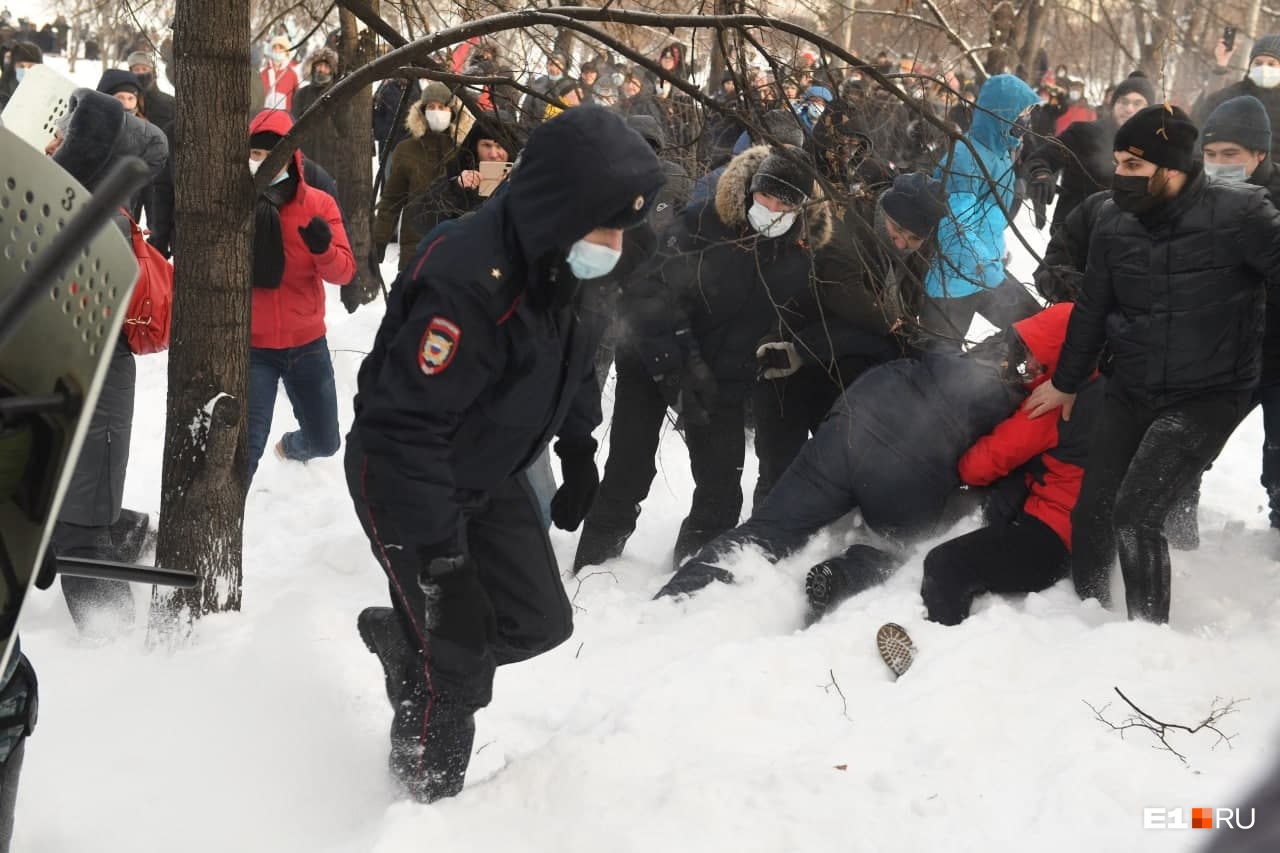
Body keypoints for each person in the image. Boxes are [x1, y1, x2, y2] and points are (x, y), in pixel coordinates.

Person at [346, 106, 664, 802]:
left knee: (539, 621)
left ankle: (411, 649)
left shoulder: (560, 259)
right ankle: (419, 804)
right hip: (405, 476)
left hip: (487, 468)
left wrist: (580, 447)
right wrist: (444, 565)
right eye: (604, 224)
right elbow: (405, 432)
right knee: (458, 665)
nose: (612, 243)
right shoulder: (466, 279)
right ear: (561, 204)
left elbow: (577, 359)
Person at [1025, 105, 1280, 623]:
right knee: (1092, 512)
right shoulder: (1114, 222)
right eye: (1118, 162)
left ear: (1174, 169)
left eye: (1134, 167)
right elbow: (1092, 308)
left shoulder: (1241, 214)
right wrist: (1068, 382)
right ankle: (1089, 614)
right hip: (1132, 384)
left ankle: (1146, 641)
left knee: (1135, 517)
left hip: (1208, 393)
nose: (1121, 176)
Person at [655, 306, 1075, 610]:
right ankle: (845, 573)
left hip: (855, 419)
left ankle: (664, 608)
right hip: (910, 466)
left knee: (768, 530)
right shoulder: (1042, 397)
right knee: (897, 547)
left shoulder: (988, 347)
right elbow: (980, 466)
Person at [573, 146, 833, 573]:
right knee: (629, 471)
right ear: (751, 190)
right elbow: (648, 296)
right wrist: (681, 368)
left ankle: (693, 578)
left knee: (721, 486)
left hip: (722, 379)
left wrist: (790, 350)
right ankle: (593, 570)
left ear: (799, 209)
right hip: (649, 358)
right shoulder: (699, 226)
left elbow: (796, 318)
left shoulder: (797, 258)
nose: (771, 208)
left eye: (784, 203)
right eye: (765, 196)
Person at [48, 89, 168, 636]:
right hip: (82, 384)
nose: (52, 141)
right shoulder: (77, 200)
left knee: (82, 522)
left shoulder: (85, 215)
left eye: (64, 135)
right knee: (79, 500)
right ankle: (137, 533)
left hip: (92, 383)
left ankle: (109, 641)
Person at [751, 172, 946, 505]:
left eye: (912, 239)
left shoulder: (916, 258)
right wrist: (905, 333)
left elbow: (895, 324)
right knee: (780, 465)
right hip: (788, 352)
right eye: (896, 230)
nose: (900, 243)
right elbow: (869, 316)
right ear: (883, 211)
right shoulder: (843, 238)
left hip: (839, 362)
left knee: (843, 456)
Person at [919, 303, 1104, 625]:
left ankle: (937, 646)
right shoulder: (1102, 385)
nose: (1027, 364)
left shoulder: (1049, 407)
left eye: (1036, 357)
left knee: (944, 564)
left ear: (1063, 357)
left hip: (1052, 538)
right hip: (1085, 527)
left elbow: (978, 467)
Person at [245, 109, 355, 481]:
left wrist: (323, 248)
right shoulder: (235, 205)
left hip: (305, 344)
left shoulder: (318, 204)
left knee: (326, 442)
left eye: (270, 155)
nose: (260, 162)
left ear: (290, 157)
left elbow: (344, 272)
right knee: (246, 451)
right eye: (255, 154)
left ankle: (292, 446)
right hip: (253, 348)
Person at [923, 74, 1041, 340]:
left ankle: (993, 369)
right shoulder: (966, 157)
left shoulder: (1001, 155)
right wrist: (990, 271)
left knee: (1035, 330)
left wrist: (996, 254)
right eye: (1021, 112)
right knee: (941, 366)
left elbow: (987, 222)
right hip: (951, 283)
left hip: (984, 269)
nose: (1026, 120)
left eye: (1029, 113)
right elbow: (954, 229)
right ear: (1001, 113)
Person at [1024, 73, 1153, 229]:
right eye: (1123, 101)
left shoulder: (1154, 149)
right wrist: (1041, 174)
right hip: (1071, 238)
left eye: (1138, 103)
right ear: (1113, 104)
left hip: (1123, 244)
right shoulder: (1082, 134)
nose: (1129, 109)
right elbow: (1041, 157)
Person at [374, 82, 458, 274]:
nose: (436, 112)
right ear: (421, 111)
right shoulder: (406, 150)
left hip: (455, 248)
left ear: (452, 111)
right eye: (431, 107)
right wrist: (379, 239)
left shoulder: (463, 150)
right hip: (415, 247)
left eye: (442, 107)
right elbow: (391, 200)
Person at [1194, 34, 1280, 157]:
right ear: (1250, 65)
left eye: (1271, 64)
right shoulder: (1234, 94)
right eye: (1258, 63)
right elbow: (1205, 116)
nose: (1263, 69)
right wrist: (1220, 66)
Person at [290, 46, 340, 173]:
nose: (322, 70)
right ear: (313, 67)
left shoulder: (339, 94)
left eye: (326, 66)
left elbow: (345, 129)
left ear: (332, 70)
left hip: (330, 160)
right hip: (305, 158)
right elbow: (293, 126)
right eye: (319, 65)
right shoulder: (302, 94)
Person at [125, 49, 173, 129]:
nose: (141, 73)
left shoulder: (169, 102)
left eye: (144, 69)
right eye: (136, 70)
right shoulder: (126, 101)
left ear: (153, 72)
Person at [261, 34, 300, 112]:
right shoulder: (264, 73)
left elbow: (297, 99)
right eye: (274, 48)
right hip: (263, 116)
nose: (277, 51)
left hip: (283, 118)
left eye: (281, 48)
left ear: (286, 52)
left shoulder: (292, 75)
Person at [0, 40, 38, 109]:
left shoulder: (46, 88)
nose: (26, 70)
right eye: (21, 66)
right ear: (13, 66)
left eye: (31, 66)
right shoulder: (4, 89)